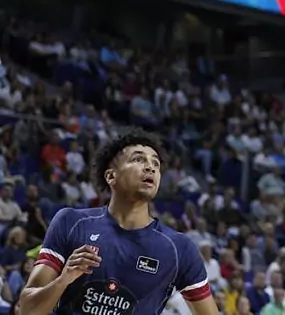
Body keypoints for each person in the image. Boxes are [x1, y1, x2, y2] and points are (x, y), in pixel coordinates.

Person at [19, 130, 217, 315]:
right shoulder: (71, 222)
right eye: (138, 159)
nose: (150, 167)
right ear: (111, 176)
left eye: (155, 164)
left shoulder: (179, 249)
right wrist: (63, 280)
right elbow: (27, 309)